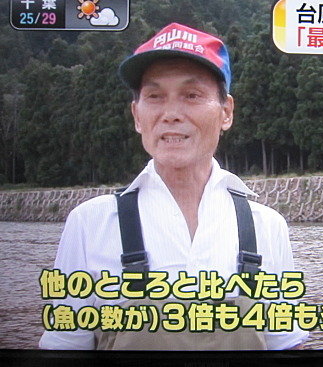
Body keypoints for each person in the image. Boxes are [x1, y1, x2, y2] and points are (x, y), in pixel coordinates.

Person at [39, 22, 308, 350]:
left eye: (191, 95)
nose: (170, 114)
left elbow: (287, 344)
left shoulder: (267, 226)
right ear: (137, 116)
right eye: (155, 96)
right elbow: (64, 345)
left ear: (226, 112)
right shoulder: (88, 224)